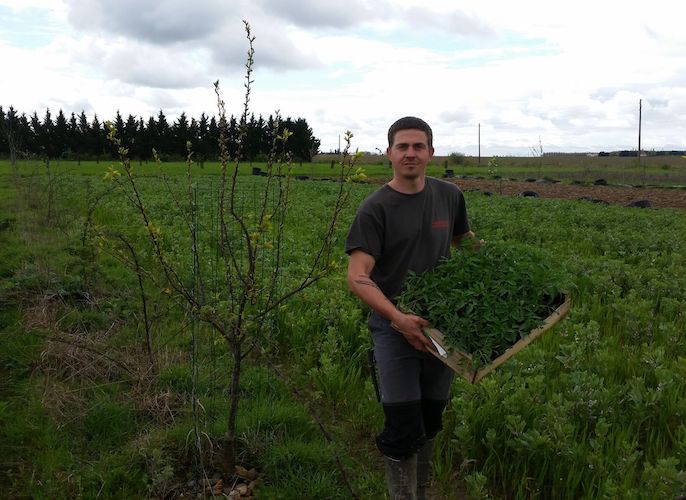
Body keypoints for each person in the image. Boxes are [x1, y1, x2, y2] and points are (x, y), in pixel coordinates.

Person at [345, 116, 478, 499]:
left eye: (418, 146)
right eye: (402, 146)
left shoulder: (449, 195)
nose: (410, 153)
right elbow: (358, 276)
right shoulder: (375, 208)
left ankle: (420, 491)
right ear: (389, 153)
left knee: (431, 419)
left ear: (431, 153)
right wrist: (399, 319)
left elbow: (464, 241)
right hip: (394, 327)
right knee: (403, 426)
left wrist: (510, 276)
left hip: (441, 329)